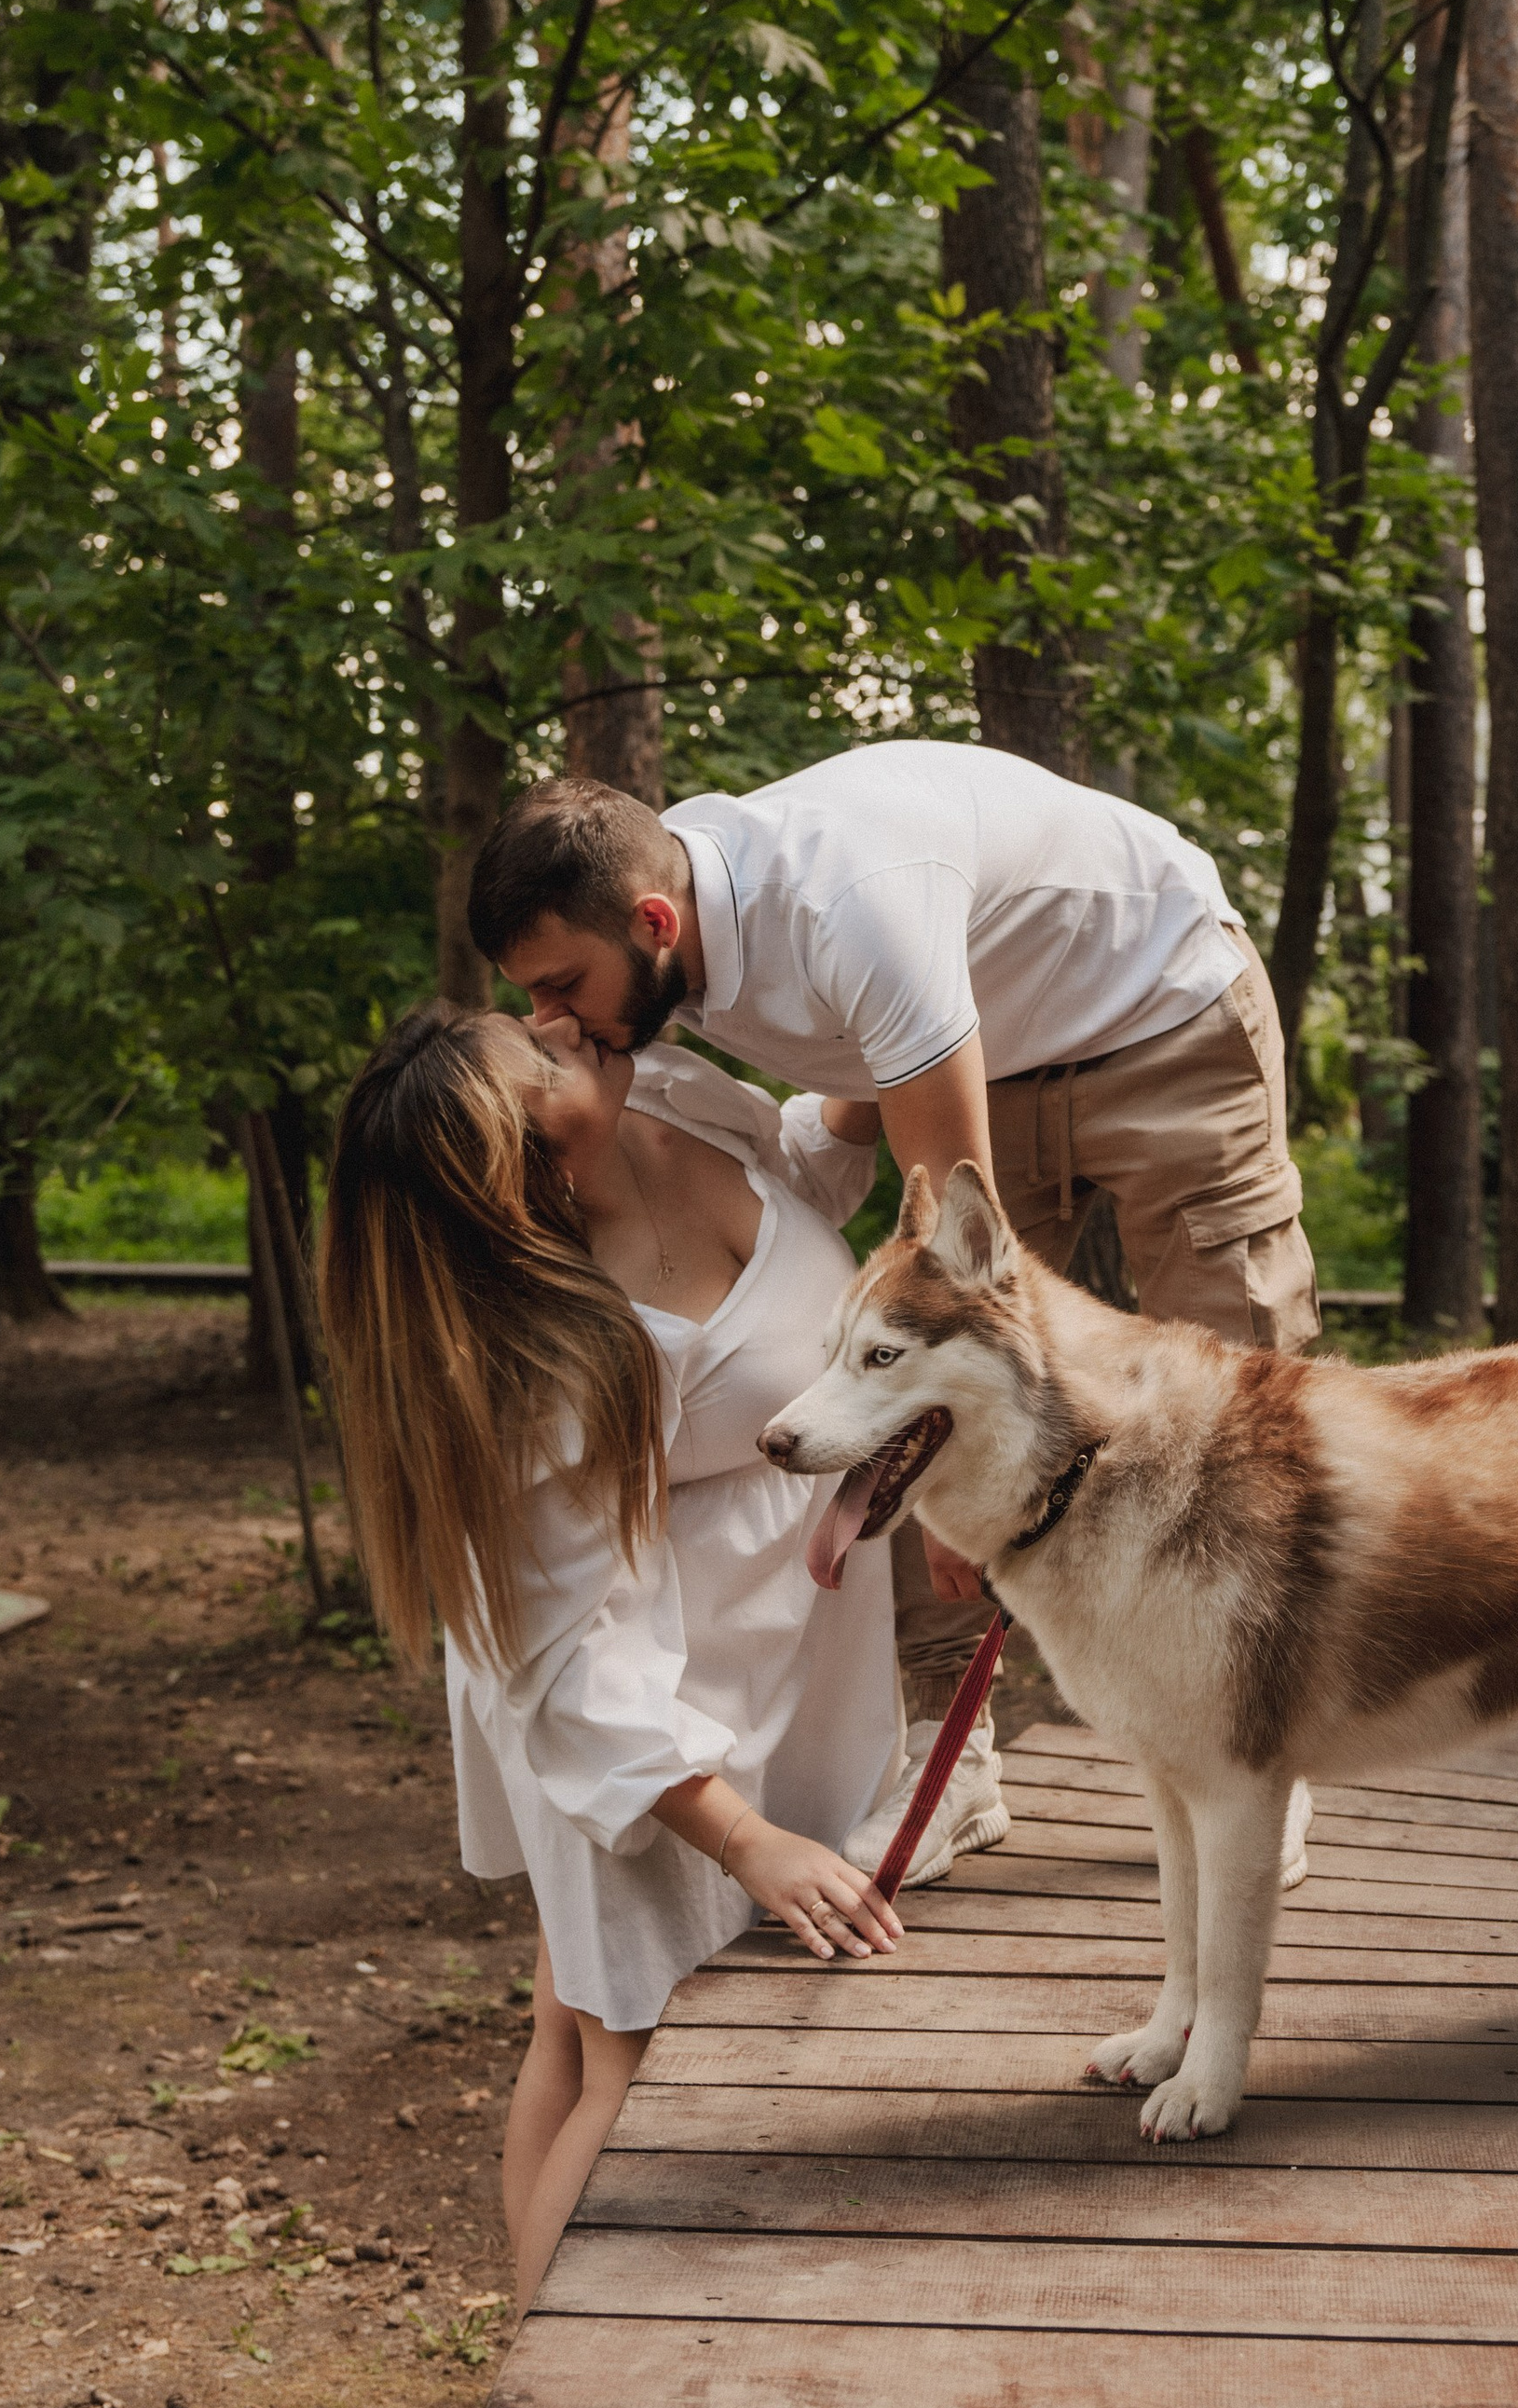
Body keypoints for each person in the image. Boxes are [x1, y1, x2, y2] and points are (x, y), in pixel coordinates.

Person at [464, 739, 1320, 1886]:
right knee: (896, 1386)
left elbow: (956, 1284)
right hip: (992, 1055)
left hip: (1165, 1018)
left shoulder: (845, 902)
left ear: (655, 923)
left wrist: (943, 1461)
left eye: (562, 986)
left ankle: (1257, 1750)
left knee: (1235, 1392)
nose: (551, 1019)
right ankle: (948, 1758)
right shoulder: (671, 959)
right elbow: (851, 1100)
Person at [317, 999, 903, 2305]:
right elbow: (571, 1655)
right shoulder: (551, 1352)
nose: (557, 1028)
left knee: (574, 2025)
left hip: (776, 1652)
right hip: (649, 1717)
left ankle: (527, 2379)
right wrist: (743, 1835)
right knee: (631, 2062)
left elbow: (796, 1177)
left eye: (526, 1024)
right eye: (535, 1062)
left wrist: (875, 1084)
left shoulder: (667, 1094)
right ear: (536, 1174)